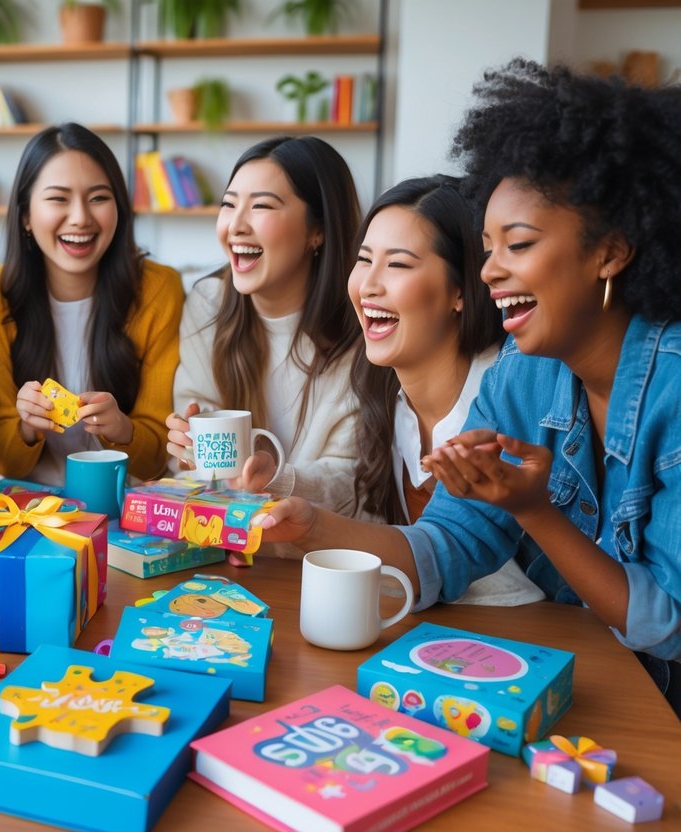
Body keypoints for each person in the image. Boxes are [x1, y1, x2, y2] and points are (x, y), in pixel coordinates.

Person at [256, 60, 681, 708]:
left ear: (610, 252)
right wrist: (312, 525)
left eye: (517, 245)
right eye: (486, 248)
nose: (490, 273)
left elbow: (665, 624)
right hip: (594, 685)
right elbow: (448, 546)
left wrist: (534, 510)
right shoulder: (521, 377)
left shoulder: (671, 388)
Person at [349, 175, 541, 604]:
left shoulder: (515, 390)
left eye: (397, 264)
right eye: (364, 260)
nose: (367, 285)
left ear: (460, 290)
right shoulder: (378, 387)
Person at [0, 123, 182, 486]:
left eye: (99, 198)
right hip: (33, 502)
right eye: (58, 199)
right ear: (25, 216)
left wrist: (122, 428)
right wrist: (26, 426)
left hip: (125, 503)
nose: (81, 218)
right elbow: (3, 457)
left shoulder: (158, 289)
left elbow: (154, 460)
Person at [166, 137, 363, 520]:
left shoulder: (359, 326)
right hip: (228, 539)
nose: (236, 225)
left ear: (317, 231)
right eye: (228, 204)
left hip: (320, 547)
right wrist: (187, 449)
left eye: (261, 206)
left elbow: (353, 480)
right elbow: (193, 449)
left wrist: (279, 479)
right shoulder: (209, 303)